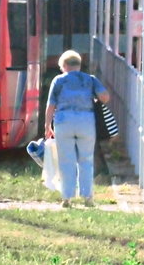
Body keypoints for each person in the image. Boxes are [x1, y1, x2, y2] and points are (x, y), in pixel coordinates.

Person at [44, 49, 108, 207]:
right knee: (86, 159)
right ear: (79, 65)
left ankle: (67, 198)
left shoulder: (59, 80)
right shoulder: (90, 79)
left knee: (66, 160)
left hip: (64, 122)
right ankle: (88, 197)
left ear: (64, 65)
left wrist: (47, 125)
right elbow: (105, 97)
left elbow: (51, 104)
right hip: (86, 122)